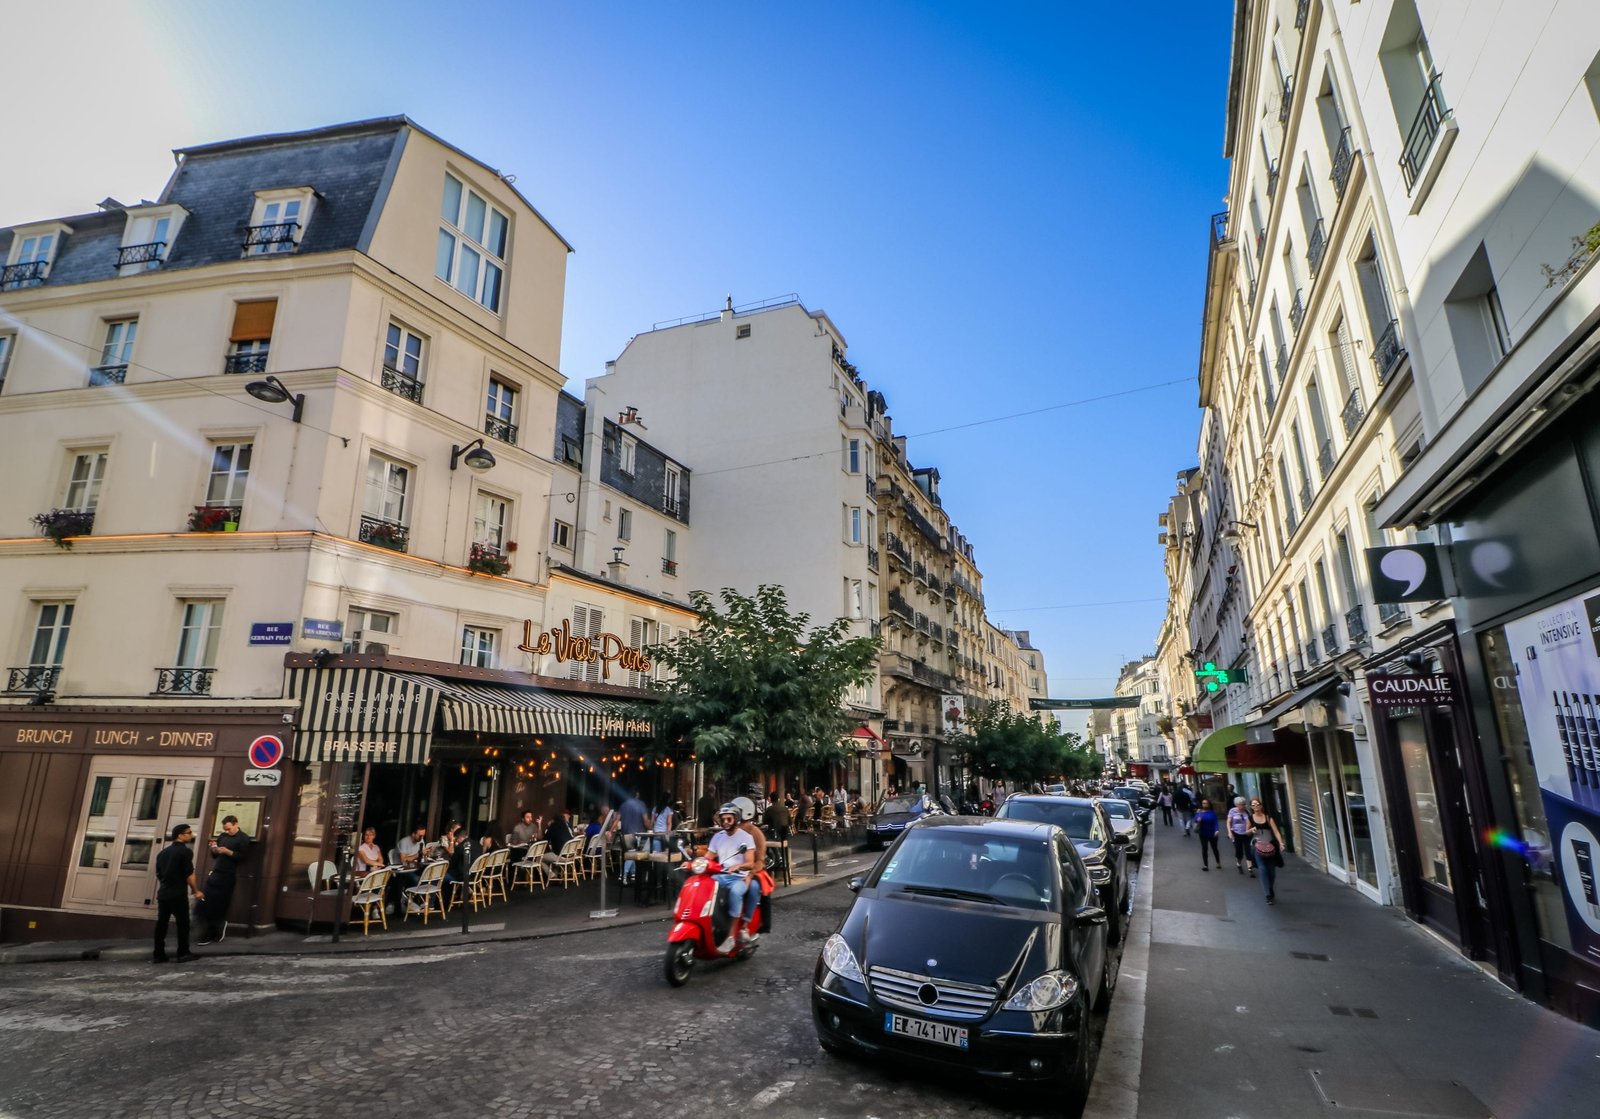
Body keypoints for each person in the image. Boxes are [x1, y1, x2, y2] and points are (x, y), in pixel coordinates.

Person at [708, 803, 757, 952]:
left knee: (736, 892)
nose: (725, 822)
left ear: (736, 819)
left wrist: (739, 866)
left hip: (738, 878)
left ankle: (730, 937)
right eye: (723, 819)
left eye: (729, 819)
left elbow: (750, 863)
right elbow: (708, 857)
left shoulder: (746, 837)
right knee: (704, 887)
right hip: (721, 875)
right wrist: (694, 863)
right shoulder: (717, 837)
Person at [195, 815, 250, 945]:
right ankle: (208, 932)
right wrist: (214, 849)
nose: (226, 831)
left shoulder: (243, 838)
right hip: (215, 872)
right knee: (204, 903)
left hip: (228, 875)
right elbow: (214, 855)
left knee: (219, 905)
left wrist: (228, 852)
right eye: (225, 829)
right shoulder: (222, 836)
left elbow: (243, 857)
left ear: (236, 824)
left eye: (229, 829)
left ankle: (214, 933)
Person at [153, 823, 201, 963]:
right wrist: (196, 891)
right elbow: (189, 874)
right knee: (183, 924)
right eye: (189, 832)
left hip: (164, 893)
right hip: (178, 894)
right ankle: (183, 953)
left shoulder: (162, 853)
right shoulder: (185, 852)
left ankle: (158, 955)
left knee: (162, 925)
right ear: (180, 835)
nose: (191, 835)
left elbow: (159, 874)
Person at [1248, 798, 1286, 904]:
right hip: (1257, 847)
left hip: (1270, 847)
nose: (1256, 806)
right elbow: (1246, 832)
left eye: (1257, 804)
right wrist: (1250, 830)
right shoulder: (1250, 818)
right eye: (1253, 805)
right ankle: (1267, 895)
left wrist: (1281, 843)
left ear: (1261, 806)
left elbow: (1276, 832)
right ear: (1251, 807)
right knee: (1262, 869)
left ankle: (1270, 887)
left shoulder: (1268, 818)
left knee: (1272, 872)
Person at [1226, 796, 1253, 875]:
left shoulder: (1247, 811)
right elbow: (1228, 821)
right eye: (1241, 804)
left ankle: (1250, 869)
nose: (1243, 806)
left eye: (1244, 804)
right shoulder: (1232, 811)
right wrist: (1229, 832)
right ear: (1237, 805)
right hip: (1236, 833)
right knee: (1239, 851)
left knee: (1248, 850)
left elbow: (1251, 821)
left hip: (1246, 833)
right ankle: (1239, 863)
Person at [1194, 798, 1221, 870]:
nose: (1204, 805)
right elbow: (1195, 819)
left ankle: (1218, 862)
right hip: (1202, 833)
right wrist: (1198, 819)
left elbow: (1215, 822)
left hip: (1212, 833)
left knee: (1214, 848)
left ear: (1209, 804)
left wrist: (1216, 830)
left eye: (1206, 803)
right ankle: (1205, 865)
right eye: (1203, 803)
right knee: (1204, 849)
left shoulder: (1212, 813)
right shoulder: (1199, 812)